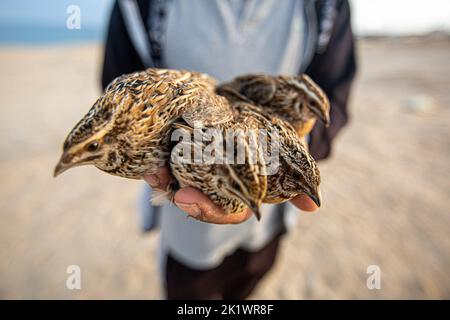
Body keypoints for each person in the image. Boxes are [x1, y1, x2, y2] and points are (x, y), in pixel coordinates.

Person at [101, 0, 356, 299]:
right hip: (187, 232)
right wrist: (154, 150)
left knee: (248, 286)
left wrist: (294, 151)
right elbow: (120, 94)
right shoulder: (139, 5)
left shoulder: (326, 6)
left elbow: (334, 98)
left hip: (270, 224)